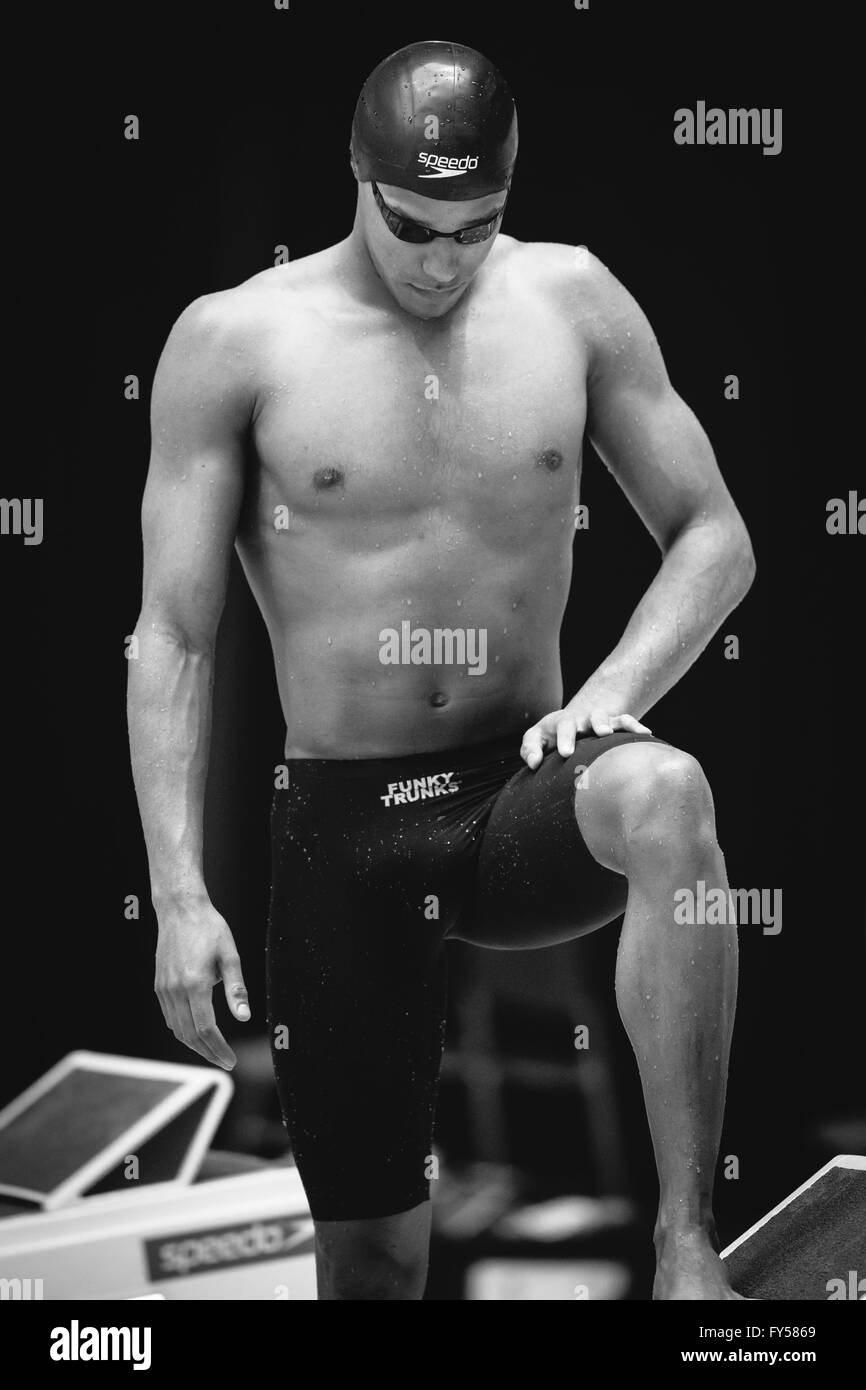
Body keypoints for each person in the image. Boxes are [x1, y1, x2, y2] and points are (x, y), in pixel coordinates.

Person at [128, 39, 756, 1300]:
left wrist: (611, 693)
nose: (439, 260)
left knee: (667, 793)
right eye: (411, 224)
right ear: (354, 178)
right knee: (371, 1264)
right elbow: (176, 638)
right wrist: (180, 897)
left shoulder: (570, 301)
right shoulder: (237, 340)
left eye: (475, 228)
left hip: (519, 790)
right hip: (344, 833)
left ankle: (683, 1246)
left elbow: (715, 535)